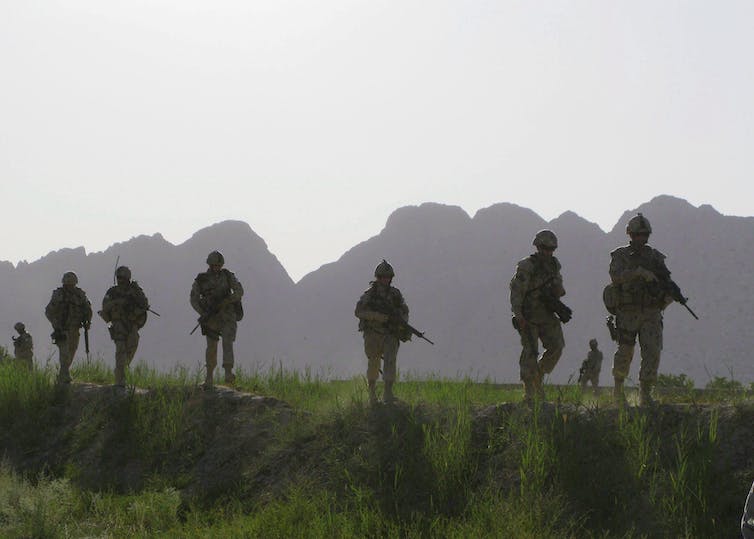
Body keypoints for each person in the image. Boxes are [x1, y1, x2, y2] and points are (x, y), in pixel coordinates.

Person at [606, 213, 678, 406]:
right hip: (628, 312)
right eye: (638, 234)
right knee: (625, 351)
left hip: (651, 312)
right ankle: (618, 392)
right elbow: (616, 276)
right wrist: (638, 272)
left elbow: (666, 280)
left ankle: (645, 394)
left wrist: (668, 295)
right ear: (630, 234)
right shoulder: (620, 255)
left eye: (644, 235)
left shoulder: (655, 257)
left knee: (652, 351)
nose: (641, 238)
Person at [510, 230, 568, 402]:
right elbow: (517, 292)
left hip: (546, 314)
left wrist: (556, 291)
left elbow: (560, 289)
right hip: (528, 315)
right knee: (530, 352)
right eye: (544, 248)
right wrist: (518, 314)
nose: (547, 252)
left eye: (550, 249)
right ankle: (529, 391)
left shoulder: (554, 266)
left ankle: (538, 376)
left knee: (557, 346)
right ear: (537, 247)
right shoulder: (527, 266)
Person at [355, 260, 410, 404]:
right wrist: (380, 317)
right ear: (377, 278)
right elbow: (359, 311)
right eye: (382, 277)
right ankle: (372, 394)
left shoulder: (395, 294)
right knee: (374, 362)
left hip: (390, 333)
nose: (384, 280)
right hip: (373, 333)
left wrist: (401, 322)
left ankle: (388, 393)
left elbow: (404, 310)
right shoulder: (370, 295)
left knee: (390, 362)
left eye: (387, 277)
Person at [190, 251, 244, 389]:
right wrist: (203, 312)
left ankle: (228, 374)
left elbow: (239, 291)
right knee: (212, 347)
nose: (216, 268)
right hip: (211, 318)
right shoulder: (201, 279)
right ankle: (209, 377)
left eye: (218, 265)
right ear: (209, 265)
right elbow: (194, 299)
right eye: (214, 265)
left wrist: (227, 301)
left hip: (227, 315)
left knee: (227, 342)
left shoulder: (227, 276)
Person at [98, 266, 149, 388]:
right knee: (120, 349)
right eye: (118, 277)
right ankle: (120, 379)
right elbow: (105, 306)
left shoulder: (136, 291)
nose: (120, 280)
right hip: (118, 323)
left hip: (132, 323)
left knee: (132, 345)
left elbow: (144, 305)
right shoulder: (112, 292)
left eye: (123, 277)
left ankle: (122, 369)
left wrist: (135, 310)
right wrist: (118, 302)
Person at [45, 271, 92, 384]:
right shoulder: (58, 295)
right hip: (62, 329)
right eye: (67, 284)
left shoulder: (80, 295)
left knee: (72, 350)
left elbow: (87, 309)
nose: (69, 286)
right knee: (64, 352)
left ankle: (63, 373)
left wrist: (87, 321)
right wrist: (56, 325)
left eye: (71, 284)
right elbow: (49, 311)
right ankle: (64, 375)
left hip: (75, 328)